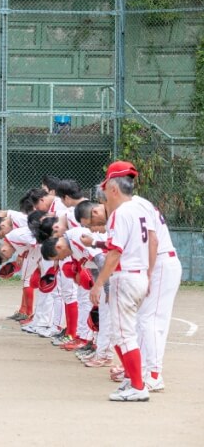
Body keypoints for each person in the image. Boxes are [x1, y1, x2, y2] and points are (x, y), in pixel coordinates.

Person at [89, 161, 153, 402]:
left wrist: (98, 284)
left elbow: (115, 253)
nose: (103, 193)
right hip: (138, 276)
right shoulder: (140, 209)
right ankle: (132, 380)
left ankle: (138, 386)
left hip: (125, 278)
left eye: (106, 188)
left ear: (114, 189)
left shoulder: (120, 213)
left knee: (123, 335)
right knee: (122, 334)